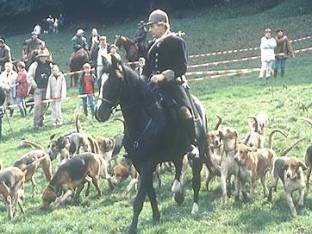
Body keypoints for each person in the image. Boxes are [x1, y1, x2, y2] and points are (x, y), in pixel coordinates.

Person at [143, 9, 199, 158]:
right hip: (153, 88)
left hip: (173, 86)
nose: (150, 29)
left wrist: (162, 76)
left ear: (162, 25)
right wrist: (142, 81)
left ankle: (192, 144)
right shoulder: (150, 46)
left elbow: (182, 67)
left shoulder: (177, 41)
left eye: (152, 26)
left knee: (184, 112)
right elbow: (147, 69)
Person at [28, 49, 52, 129]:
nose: (43, 58)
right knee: (37, 105)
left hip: (46, 87)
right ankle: (36, 123)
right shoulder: (35, 65)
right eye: (41, 57)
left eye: (44, 57)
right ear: (39, 57)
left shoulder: (49, 65)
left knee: (45, 104)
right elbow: (29, 76)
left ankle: (41, 121)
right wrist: (34, 85)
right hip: (38, 88)